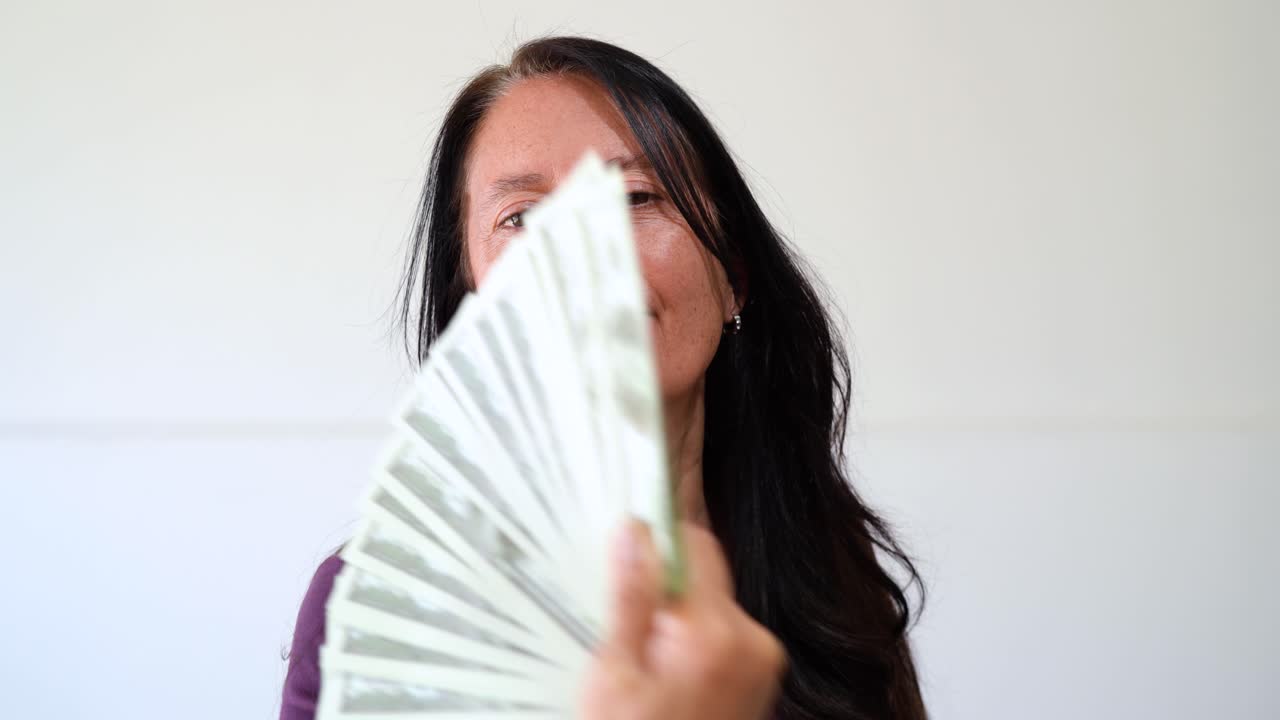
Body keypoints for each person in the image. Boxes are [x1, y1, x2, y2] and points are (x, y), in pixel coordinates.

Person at [281, 35, 928, 720]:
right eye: (522, 217)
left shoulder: (829, 579)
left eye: (637, 197)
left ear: (732, 278)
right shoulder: (376, 609)